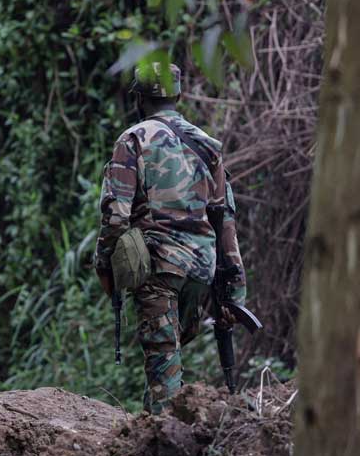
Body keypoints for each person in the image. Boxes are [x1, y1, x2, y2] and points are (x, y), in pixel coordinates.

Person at [94, 62, 247, 414]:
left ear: (139, 98)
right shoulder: (209, 146)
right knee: (168, 359)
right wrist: (236, 292)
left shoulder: (133, 140)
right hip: (201, 269)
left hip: (160, 268)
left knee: (163, 366)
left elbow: (115, 216)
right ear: (177, 95)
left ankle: (167, 447)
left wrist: (105, 265)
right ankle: (157, 428)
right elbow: (225, 221)